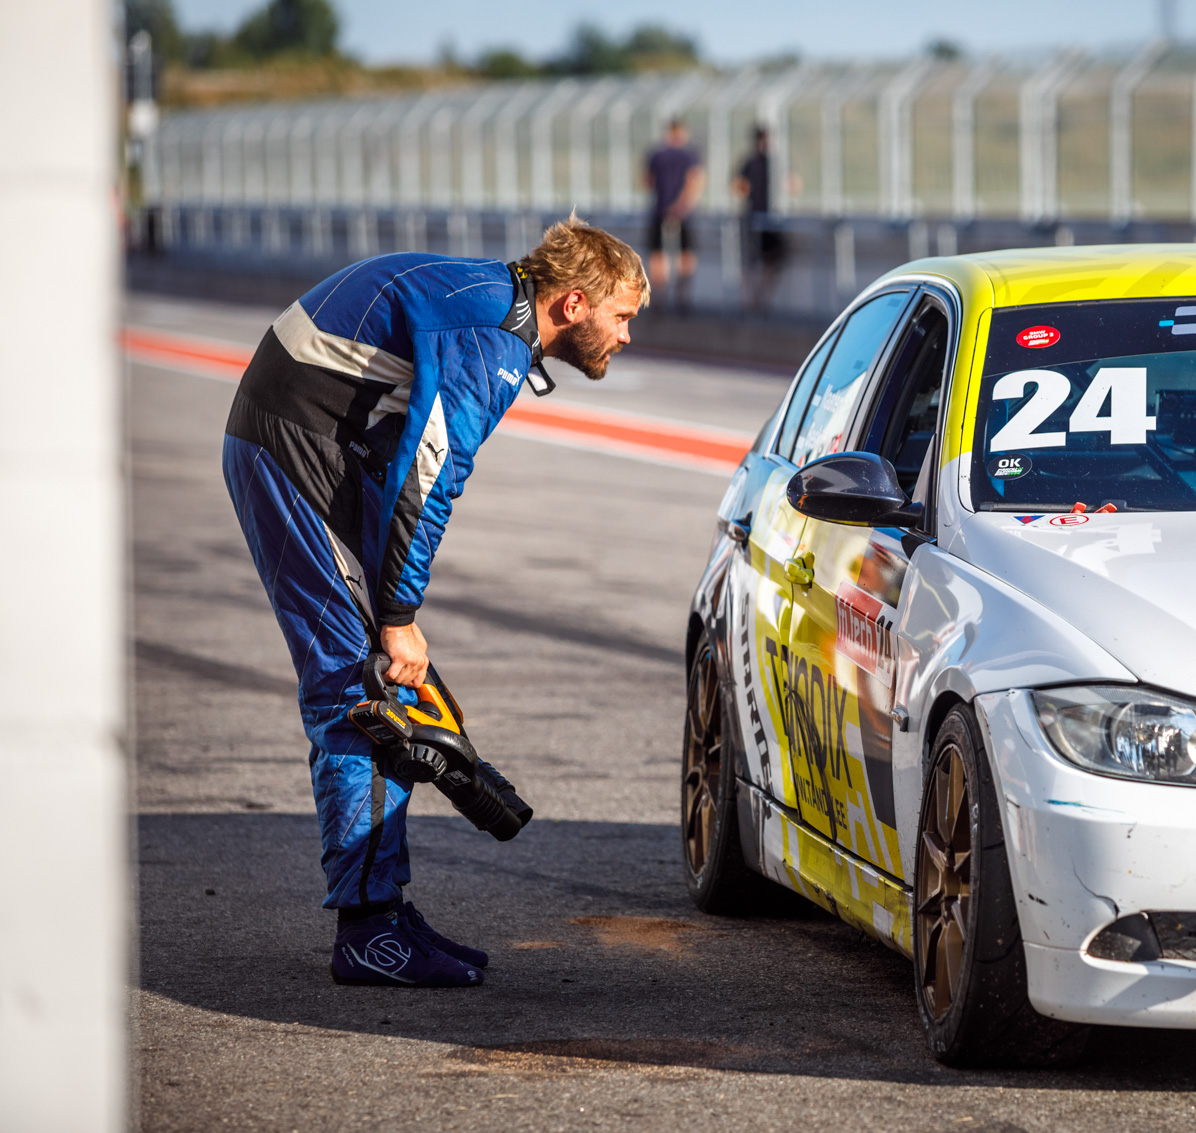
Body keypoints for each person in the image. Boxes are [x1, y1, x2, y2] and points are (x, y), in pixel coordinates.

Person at [222, 218, 648, 987]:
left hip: (309, 442)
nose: (626, 335)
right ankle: (368, 931)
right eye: (622, 317)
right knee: (364, 692)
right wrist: (398, 618)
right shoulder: (492, 335)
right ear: (574, 303)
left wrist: (396, 618)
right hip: (292, 447)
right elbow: (429, 473)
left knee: (392, 690)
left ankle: (383, 905)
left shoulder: (493, 303)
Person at [644, 118, 704, 311]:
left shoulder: (656, 155)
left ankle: (658, 299)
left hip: (659, 210)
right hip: (684, 213)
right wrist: (682, 205)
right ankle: (682, 298)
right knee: (685, 255)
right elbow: (694, 181)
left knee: (658, 255)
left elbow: (648, 181)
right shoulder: (690, 155)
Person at [733, 126, 788, 312]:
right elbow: (740, 186)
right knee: (756, 262)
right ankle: (754, 301)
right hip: (759, 218)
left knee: (770, 261)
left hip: (768, 219)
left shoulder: (772, 162)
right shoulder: (756, 162)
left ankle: (758, 299)